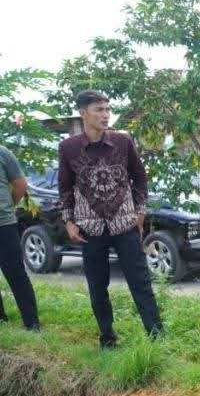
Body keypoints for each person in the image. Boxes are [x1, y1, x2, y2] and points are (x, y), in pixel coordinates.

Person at [57, 90, 163, 347]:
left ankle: (157, 337)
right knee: (97, 285)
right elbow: (65, 188)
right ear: (83, 113)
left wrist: (139, 212)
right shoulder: (68, 148)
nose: (105, 115)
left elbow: (140, 177)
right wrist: (69, 221)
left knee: (141, 282)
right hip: (89, 228)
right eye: (98, 110)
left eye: (107, 109)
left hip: (124, 224)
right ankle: (107, 338)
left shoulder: (123, 142)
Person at [0, 142, 40, 331]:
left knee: (16, 274)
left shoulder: (2, 152)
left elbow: (20, 184)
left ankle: (32, 324)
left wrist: (8, 207)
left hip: (4, 224)